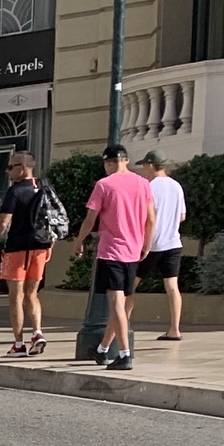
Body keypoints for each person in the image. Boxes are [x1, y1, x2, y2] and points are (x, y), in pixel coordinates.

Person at [74, 142, 154, 370]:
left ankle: (124, 354)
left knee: (116, 303)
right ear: (126, 160)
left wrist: (79, 241)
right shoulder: (143, 183)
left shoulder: (104, 185)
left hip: (112, 250)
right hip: (134, 250)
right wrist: (146, 245)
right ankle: (102, 349)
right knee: (123, 303)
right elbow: (150, 219)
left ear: (108, 162)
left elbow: (91, 219)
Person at [0, 150, 50, 357]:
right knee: (33, 293)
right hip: (40, 246)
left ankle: (19, 344)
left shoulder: (15, 191)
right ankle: (38, 332)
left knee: (15, 297)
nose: (7, 171)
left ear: (23, 167)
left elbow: (4, 221)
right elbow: (52, 219)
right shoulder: (45, 187)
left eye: (11, 167)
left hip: (17, 248)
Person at [140, 150, 188, 341]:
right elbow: (182, 216)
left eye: (145, 165)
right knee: (172, 286)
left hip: (151, 244)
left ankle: (121, 325)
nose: (144, 169)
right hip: (173, 243)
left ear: (151, 165)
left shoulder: (149, 187)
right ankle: (175, 329)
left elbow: (144, 216)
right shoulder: (177, 186)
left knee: (129, 286)